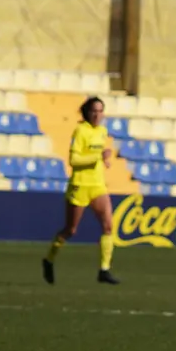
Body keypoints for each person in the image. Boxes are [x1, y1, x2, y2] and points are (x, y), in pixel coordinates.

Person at [42, 96, 119, 285]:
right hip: (80, 186)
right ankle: (49, 259)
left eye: (100, 111)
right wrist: (97, 156)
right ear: (87, 112)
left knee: (108, 226)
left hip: (97, 185)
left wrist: (105, 159)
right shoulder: (80, 130)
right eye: (94, 110)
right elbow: (74, 161)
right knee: (71, 230)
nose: (97, 114)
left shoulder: (102, 131)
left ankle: (104, 270)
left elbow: (98, 156)